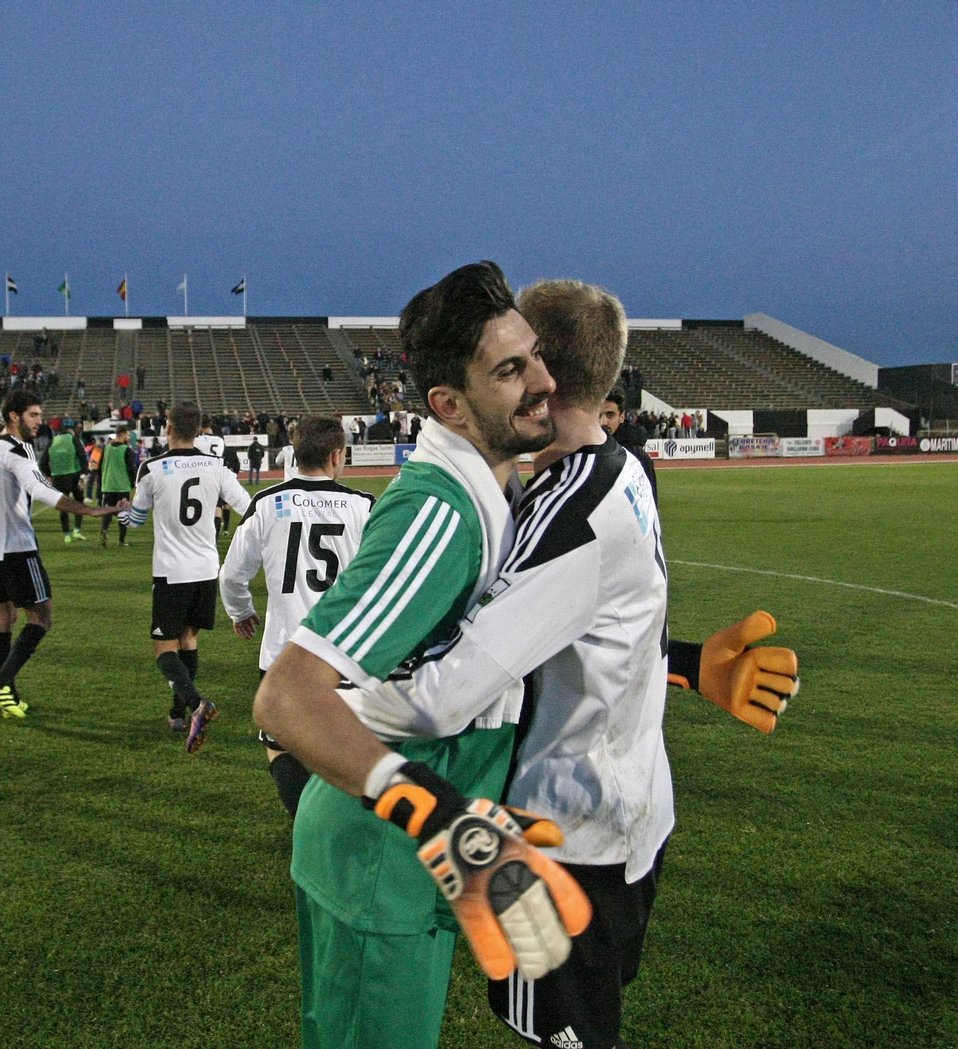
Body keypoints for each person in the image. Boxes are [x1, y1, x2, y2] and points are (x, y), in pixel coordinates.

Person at [344, 280, 797, 1049]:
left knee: (564, 1035)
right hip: (629, 814)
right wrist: (684, 663)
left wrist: (333, 704)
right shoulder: (620, 468)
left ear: (538, 370)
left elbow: (437, 700)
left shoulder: (565, 516)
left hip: (564, 838)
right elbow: (598, 632)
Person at [253, 261, 567, 1049]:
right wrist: (434, 811)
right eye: (510, 370)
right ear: (448, 405)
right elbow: (286, 699)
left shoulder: (491, 489)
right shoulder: (437, 511)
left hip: (406, 862)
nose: (543, 382)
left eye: (534, 356)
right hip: (378, 865)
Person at [219, 417, 374, 817]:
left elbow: (232, 575)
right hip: (348, 658)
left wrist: (241, 612)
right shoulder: (365, 506)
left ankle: (306, 832)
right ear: (337, 455)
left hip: (284, 656)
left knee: (281, 747)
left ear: (293, 453)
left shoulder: (267, 503)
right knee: (347, 754)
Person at [0, 391, 125, 719]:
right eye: (33, 415)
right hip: (15, 548)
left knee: (2, 620)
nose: (40, 422)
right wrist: (94, 511)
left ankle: (7, 695)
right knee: (41, 617)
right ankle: (1, 683)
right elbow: (42, 492)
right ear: (14, 416)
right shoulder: (15, 451)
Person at [119, 403, 253, 752]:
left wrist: (123, 514)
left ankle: (197, 705)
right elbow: (248, 507)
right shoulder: (216, 466)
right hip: (207, 568)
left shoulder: (151, 468)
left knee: (165, 648)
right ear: (198, 430)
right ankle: (177, 714)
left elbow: (134, 521)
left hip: (172, 570)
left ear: (168, 428)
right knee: (189, 640)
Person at [600, 386, 657, 503]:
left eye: (610, 415)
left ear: (622, 417)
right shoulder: (584, 449)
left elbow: (649, 504)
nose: (603, 422)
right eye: (598, 416)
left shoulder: (637, 455)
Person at [46, 423, 89, 543]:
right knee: (79, 503)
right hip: (74, 474)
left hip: (58, 477)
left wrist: (49, 474)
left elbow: (43, 461)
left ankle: (67, 535)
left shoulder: (52, 441)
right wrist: (84, 473)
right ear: (71, 432)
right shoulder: (74, 439)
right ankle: (77, 531)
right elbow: (82, 456)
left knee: (63, 505)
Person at [97, 427, 136, 548]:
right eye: (128, 435)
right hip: (122, 486)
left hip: (108, 486)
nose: (129, 438)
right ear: (123, 435)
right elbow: (131, 469)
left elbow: (100, 467)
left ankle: (104, 529)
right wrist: (133, 483)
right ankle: (121, 540)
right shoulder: (126, 450)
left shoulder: (106, 448)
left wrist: (100, 484)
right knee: (123, 513)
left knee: (108, 511)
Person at [192, 415, 229, 538]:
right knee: (217, 509)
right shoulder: (219, 441)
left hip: (201, 478)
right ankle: (215, 540)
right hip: (216, 477)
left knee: (199, 509)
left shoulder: (196, 441)